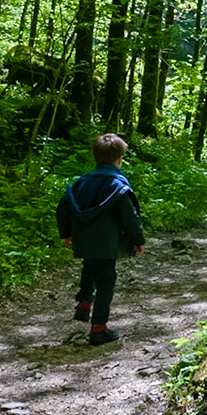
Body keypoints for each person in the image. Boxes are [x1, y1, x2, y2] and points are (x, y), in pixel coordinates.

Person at [56, 133, 145, 344]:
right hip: (107, 242)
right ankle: (98, 328)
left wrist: (66, 233)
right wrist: (138, 239)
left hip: (84, 239)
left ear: (95, 157)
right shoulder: (119, 186)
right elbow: (130, 217)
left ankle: (84, 305)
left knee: (89, 266)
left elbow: (63, 208)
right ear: (119, 159)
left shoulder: (80, 184)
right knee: (106, 280)